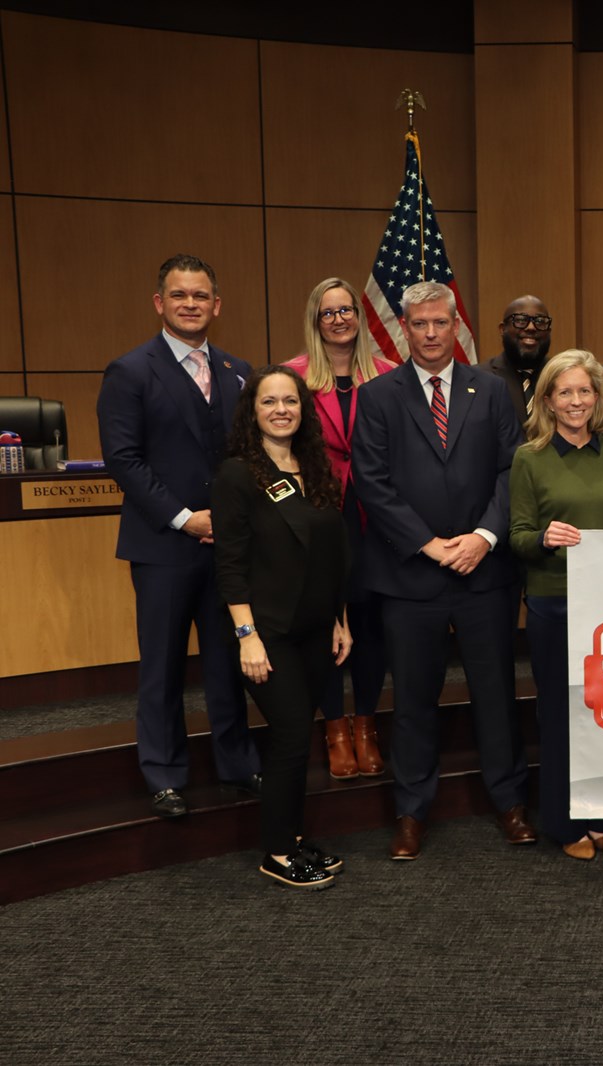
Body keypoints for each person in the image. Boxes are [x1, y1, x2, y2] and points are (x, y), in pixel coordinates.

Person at [350, 281, 535, 860]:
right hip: (412, 577)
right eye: (420, 324)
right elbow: (371, 483)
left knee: (496, 697)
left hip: (485, 573)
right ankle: (410, 812)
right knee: (412, 700)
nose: (431, 334)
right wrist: (430, 545)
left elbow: (513, 472)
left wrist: (482, 537)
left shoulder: (494, 391)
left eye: (440, 323)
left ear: (457, 325)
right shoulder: (378, 396)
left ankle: (509, 803)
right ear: (403, 328)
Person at [96, 254, 260, 818]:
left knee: (226, 660)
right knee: (162, 665)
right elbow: (123, 458)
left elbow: (250, 454)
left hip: (228, 547)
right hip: (164, 545)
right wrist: (184, 517)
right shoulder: (130, 370)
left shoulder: (240, 371)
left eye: (200, 295)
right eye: (179, 294)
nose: (190, 304)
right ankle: (164, 774)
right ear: (159, 302)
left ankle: (237, 764)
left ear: (217, 304)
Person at [212, 366, 352, 889]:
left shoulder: (314, 467)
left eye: (289, 401)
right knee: (291, 737)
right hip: (266, 634)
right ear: (253, 411)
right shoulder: (237, 475)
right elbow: (229, 564)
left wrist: (341, 620)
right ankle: (276, 851)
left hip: (316, 628)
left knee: (298, 737)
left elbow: (332, 554)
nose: (280, 410)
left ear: (302, 408)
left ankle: (292, 839)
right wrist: (247, 637)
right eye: (268, 401)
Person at [510, 350, 603, 861]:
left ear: (598, 397)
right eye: (565, 392)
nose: (577, 401)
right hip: (554, 602)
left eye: (585, 391)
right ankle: (564, 824)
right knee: (560, 715)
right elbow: (516, 537)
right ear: (548, 400)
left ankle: (602, 816)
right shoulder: (529, 458)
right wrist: (543, 537)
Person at [282, 277, 398, 780]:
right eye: (327, 312)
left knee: (370, 625)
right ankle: (334, 727)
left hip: (377, 517)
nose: (338, 319)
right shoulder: (293, 377)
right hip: (320, 514)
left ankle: (367, 726)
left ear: (360, 315)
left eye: (346, 309)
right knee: (326, 623)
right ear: (315, 320)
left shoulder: (392, 374)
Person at [487, 295, 553, 419]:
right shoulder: (480, 378)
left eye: (540, 321)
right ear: (502, 329)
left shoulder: (561, 376)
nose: (531, 327)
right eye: (521, 320)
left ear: (548, 331)